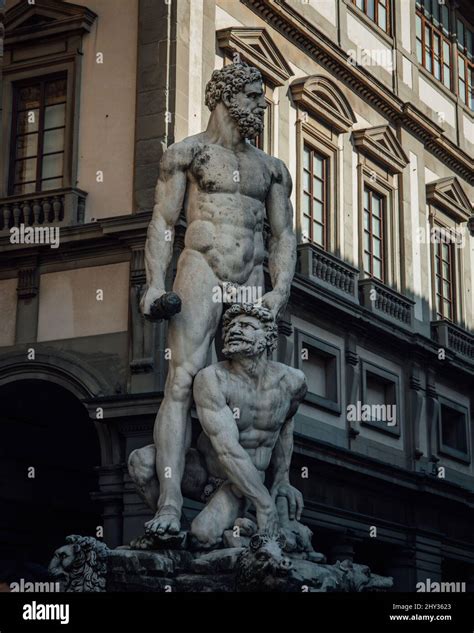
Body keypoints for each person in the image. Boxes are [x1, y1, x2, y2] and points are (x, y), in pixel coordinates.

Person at [140, 62, 296, 536]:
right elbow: (164, 223)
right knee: (182, 381)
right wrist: (153, 283)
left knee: (252, 384)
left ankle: (250, 502)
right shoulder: (186, 155)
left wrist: (280, 290)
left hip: (250, 274)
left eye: (261, 95)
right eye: (251, 94)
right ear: (225, 96)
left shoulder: (271, 169)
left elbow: (284, 235)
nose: (260, 103)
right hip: (201, 268)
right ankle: (169, 501)